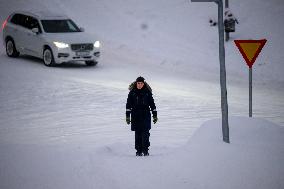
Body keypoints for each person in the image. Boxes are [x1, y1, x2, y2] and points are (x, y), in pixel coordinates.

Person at [126, 76, 158, 156]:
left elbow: (152, 104)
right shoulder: (132, 93)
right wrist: (127, 116)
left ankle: (145, 150)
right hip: (135, 115)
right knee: (138, 134)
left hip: (145, 115)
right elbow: (128, 105)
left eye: (141, 83)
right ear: (136, 83)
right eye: (138, 83)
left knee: (145, 133)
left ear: (143, 84)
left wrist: (155, 115)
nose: (139, 85)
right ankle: (138, 151)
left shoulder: (147, 92)